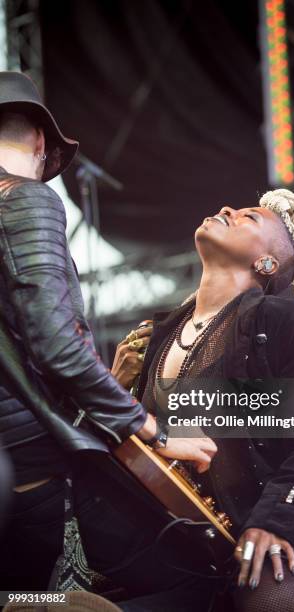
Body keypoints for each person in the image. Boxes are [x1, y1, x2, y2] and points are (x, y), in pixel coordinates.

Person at [115, 189, 294, 611]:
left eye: (248, 217)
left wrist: (274, 523)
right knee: (45, 600)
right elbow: (144, 447)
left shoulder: (284, 320)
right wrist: (115, 382)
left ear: (266, 264)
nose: (226, 209)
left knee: (275, 596)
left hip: (282, 530)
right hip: (186, 540)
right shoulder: (157, 336)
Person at [0, 71, 217, 602]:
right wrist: (146, 425)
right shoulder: (25, 199)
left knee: (21, 599)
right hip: (31, 463)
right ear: (40, 142)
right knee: (191, 581)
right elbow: (53, 343)